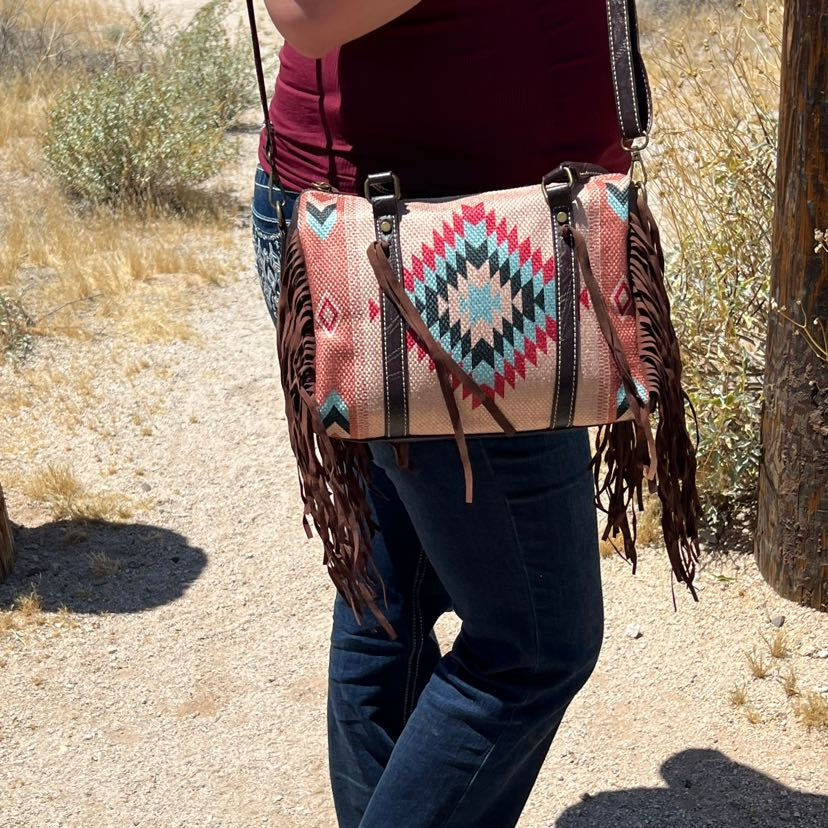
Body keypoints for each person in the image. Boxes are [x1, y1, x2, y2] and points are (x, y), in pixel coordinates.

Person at [251, 3, 630, 826]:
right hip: (440, 258)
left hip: (446, 228)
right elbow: (307, 11)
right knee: (535, 645)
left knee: (392, 599)